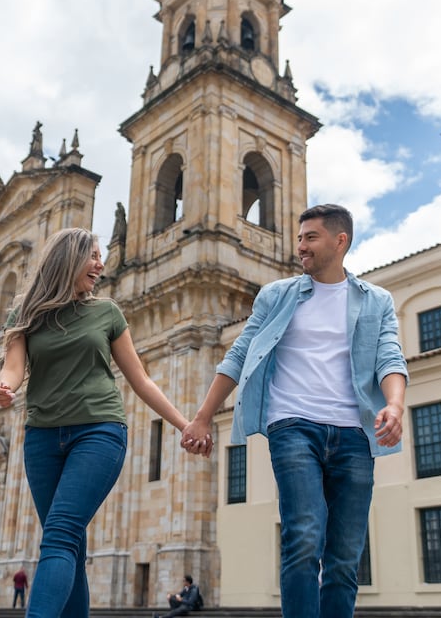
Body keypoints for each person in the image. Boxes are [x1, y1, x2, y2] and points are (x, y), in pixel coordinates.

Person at [182, 204, 408, 618]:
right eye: (299, 237)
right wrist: (202, 416)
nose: (300, 246)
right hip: (293, 427)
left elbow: (390, 358)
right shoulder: (277, 295)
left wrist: (394, 404)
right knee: (303, 538)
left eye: (310, 237)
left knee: (343, 558)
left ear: (340, 241)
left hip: (354, 436)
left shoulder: (376, 301)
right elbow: (240, 353)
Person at [0, 227, 190, 618]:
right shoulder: (24, 315)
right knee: (71, 545)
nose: (101, 264)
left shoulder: (107, 312)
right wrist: (3, 387)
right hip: (41, 438)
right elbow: (13, 368)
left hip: (99, 432)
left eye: (101, 256)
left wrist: (184, 425)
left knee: (59, 535)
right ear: (68, 258)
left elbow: (141, 379)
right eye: (93, 256)